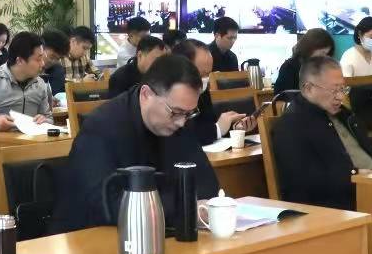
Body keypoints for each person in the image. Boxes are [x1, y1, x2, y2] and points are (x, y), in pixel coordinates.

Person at [52, 54, 219, 234]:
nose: (181, 122)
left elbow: (207, 184)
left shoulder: (180, 121)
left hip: (157, 233)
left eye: (189, 113)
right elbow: (107, 206)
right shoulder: (101, 128)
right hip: (91, 237)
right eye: (175, 112)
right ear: (146, 94)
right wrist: (184, 206)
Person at [272, 56, 372, 210]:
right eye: (334, 90)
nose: (341, 97)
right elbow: (303, 181)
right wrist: (354, 175)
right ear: (308, 88)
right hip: (343, 204)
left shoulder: (344, 114)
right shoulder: (292, 124)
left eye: (343, 89)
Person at [0, 31, 53, 153]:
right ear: (20, 61)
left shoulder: (40, 84)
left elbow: (49, 118)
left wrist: (44, 120)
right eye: (38, 59)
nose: (43, 64)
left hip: (33, 151)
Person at [179, 38, 251, 141]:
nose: (205, 79)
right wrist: (218, 129)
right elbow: (183, 136)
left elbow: (210, 123)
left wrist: (235, 128)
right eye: (201, 74)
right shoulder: (168, 99)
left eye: (208, 74)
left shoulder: (203, 92)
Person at [274, 28, 335, 93]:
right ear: (310, 48)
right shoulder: (289, 67)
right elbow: (281, 97)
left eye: (327, 54)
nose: (324, 58)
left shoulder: (321, 70)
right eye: (322, 53)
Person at [40, 28, 72, 95]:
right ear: (41, 47)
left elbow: (57, 94)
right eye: (52, 57)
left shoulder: (57, 70)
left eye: (57, 59)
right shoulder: (26, 66)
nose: (53, 62)